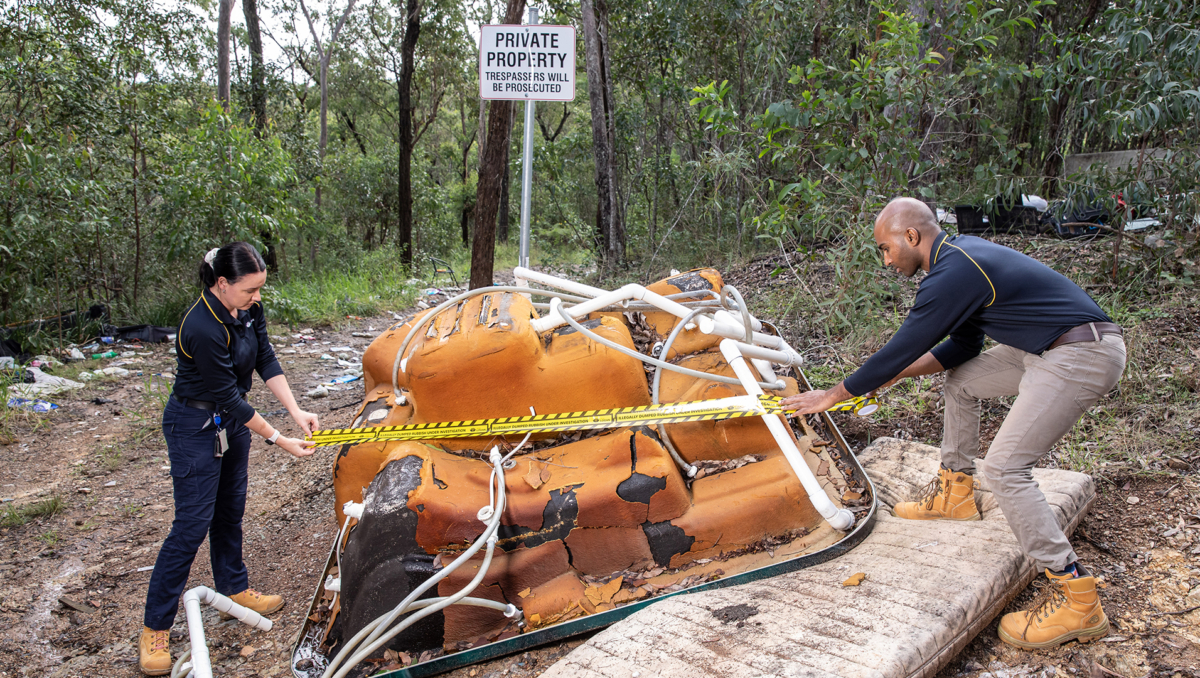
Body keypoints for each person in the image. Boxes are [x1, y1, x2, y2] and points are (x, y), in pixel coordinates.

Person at [781, 198, 1125, 650]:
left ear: (911, 237)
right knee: (963, 382)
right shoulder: (959, 262)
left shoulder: (954, 270)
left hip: (1080, 354)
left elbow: (908, 341)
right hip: (1045, 347)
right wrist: (892, 375)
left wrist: (835, 394)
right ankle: (955, 490)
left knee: (1005, 468)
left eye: (885, 249)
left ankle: (1077, 596)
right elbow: (962, 348)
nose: (886, 261)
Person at [139, 243, 319, 675]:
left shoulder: (249, 311)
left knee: (229, 511)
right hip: (194, 425)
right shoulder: (200, 325)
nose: (257, 297)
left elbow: (265, 358)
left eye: (260, 289)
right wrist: (280, 439)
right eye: (249, 289)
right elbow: (226, 397)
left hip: (231, 425)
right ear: (222, 284)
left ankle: (232, 590)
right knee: (191, 525)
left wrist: (296, 411)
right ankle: (154, 628)